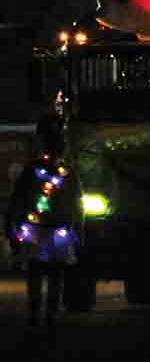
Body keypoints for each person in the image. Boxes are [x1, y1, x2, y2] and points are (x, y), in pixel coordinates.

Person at [5, 113, 82, 326]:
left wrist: (12, 228)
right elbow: (77, 204)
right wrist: (78, 229)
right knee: (53, 274)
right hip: (53, 230)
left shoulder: (34, 171)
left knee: (37, 273)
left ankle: (39, 314)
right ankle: (48, 314)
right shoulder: (65, 172)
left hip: (39, 229)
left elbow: (17, 200)